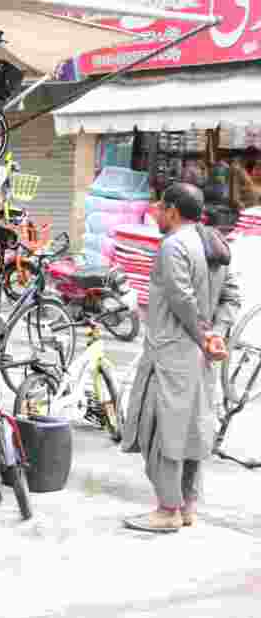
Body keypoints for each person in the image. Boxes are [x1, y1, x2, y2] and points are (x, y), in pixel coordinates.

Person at [122, 182, 240, 532]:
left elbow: (182, 299)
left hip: (173, 354)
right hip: (200, 357)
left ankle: (167, 510)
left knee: (162, 434)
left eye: (160, 207)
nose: (156, 213)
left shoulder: (174, 245)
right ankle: (187, 507)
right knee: (191, 432)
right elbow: (231, 295)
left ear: (172, 209)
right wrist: (216, 333)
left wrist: (205, 337)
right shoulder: (212, 241)